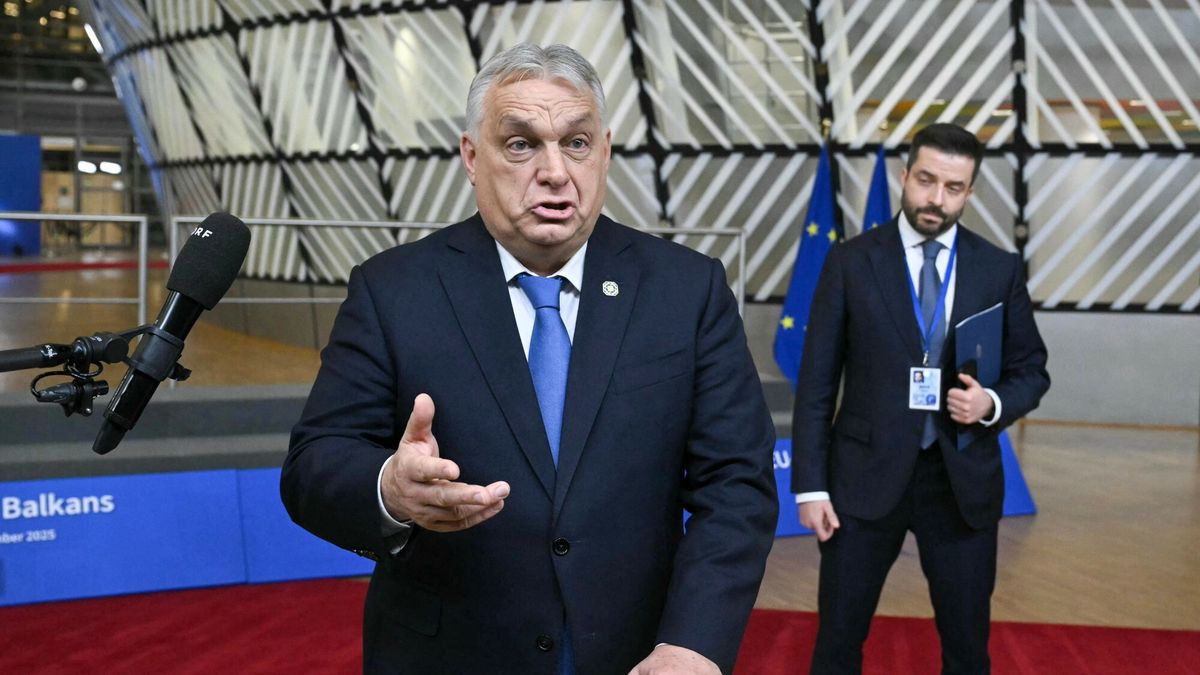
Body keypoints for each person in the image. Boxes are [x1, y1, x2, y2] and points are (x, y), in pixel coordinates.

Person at [282, 43, 778, 675]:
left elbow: (736, 485)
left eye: (577, 143)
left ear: (605, 151)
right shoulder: (393, 290)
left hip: (639, 655)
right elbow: (314, 463)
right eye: (521, 145)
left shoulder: (687, 290)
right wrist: (390, 488)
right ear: (471, 157)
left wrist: (693, 643)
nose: (555, 172)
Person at [791, 123, 1050, 674]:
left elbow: (1032, 371)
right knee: (837, 642)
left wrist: (991, 404)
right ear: (905, 175)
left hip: (960, 486)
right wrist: (810, 486)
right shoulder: (850, 262)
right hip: (862, 482)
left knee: (967, 649)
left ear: (970, 191)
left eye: (953, 187)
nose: (936, 199)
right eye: (926, 180)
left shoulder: (998, 269)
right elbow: (816, 383)